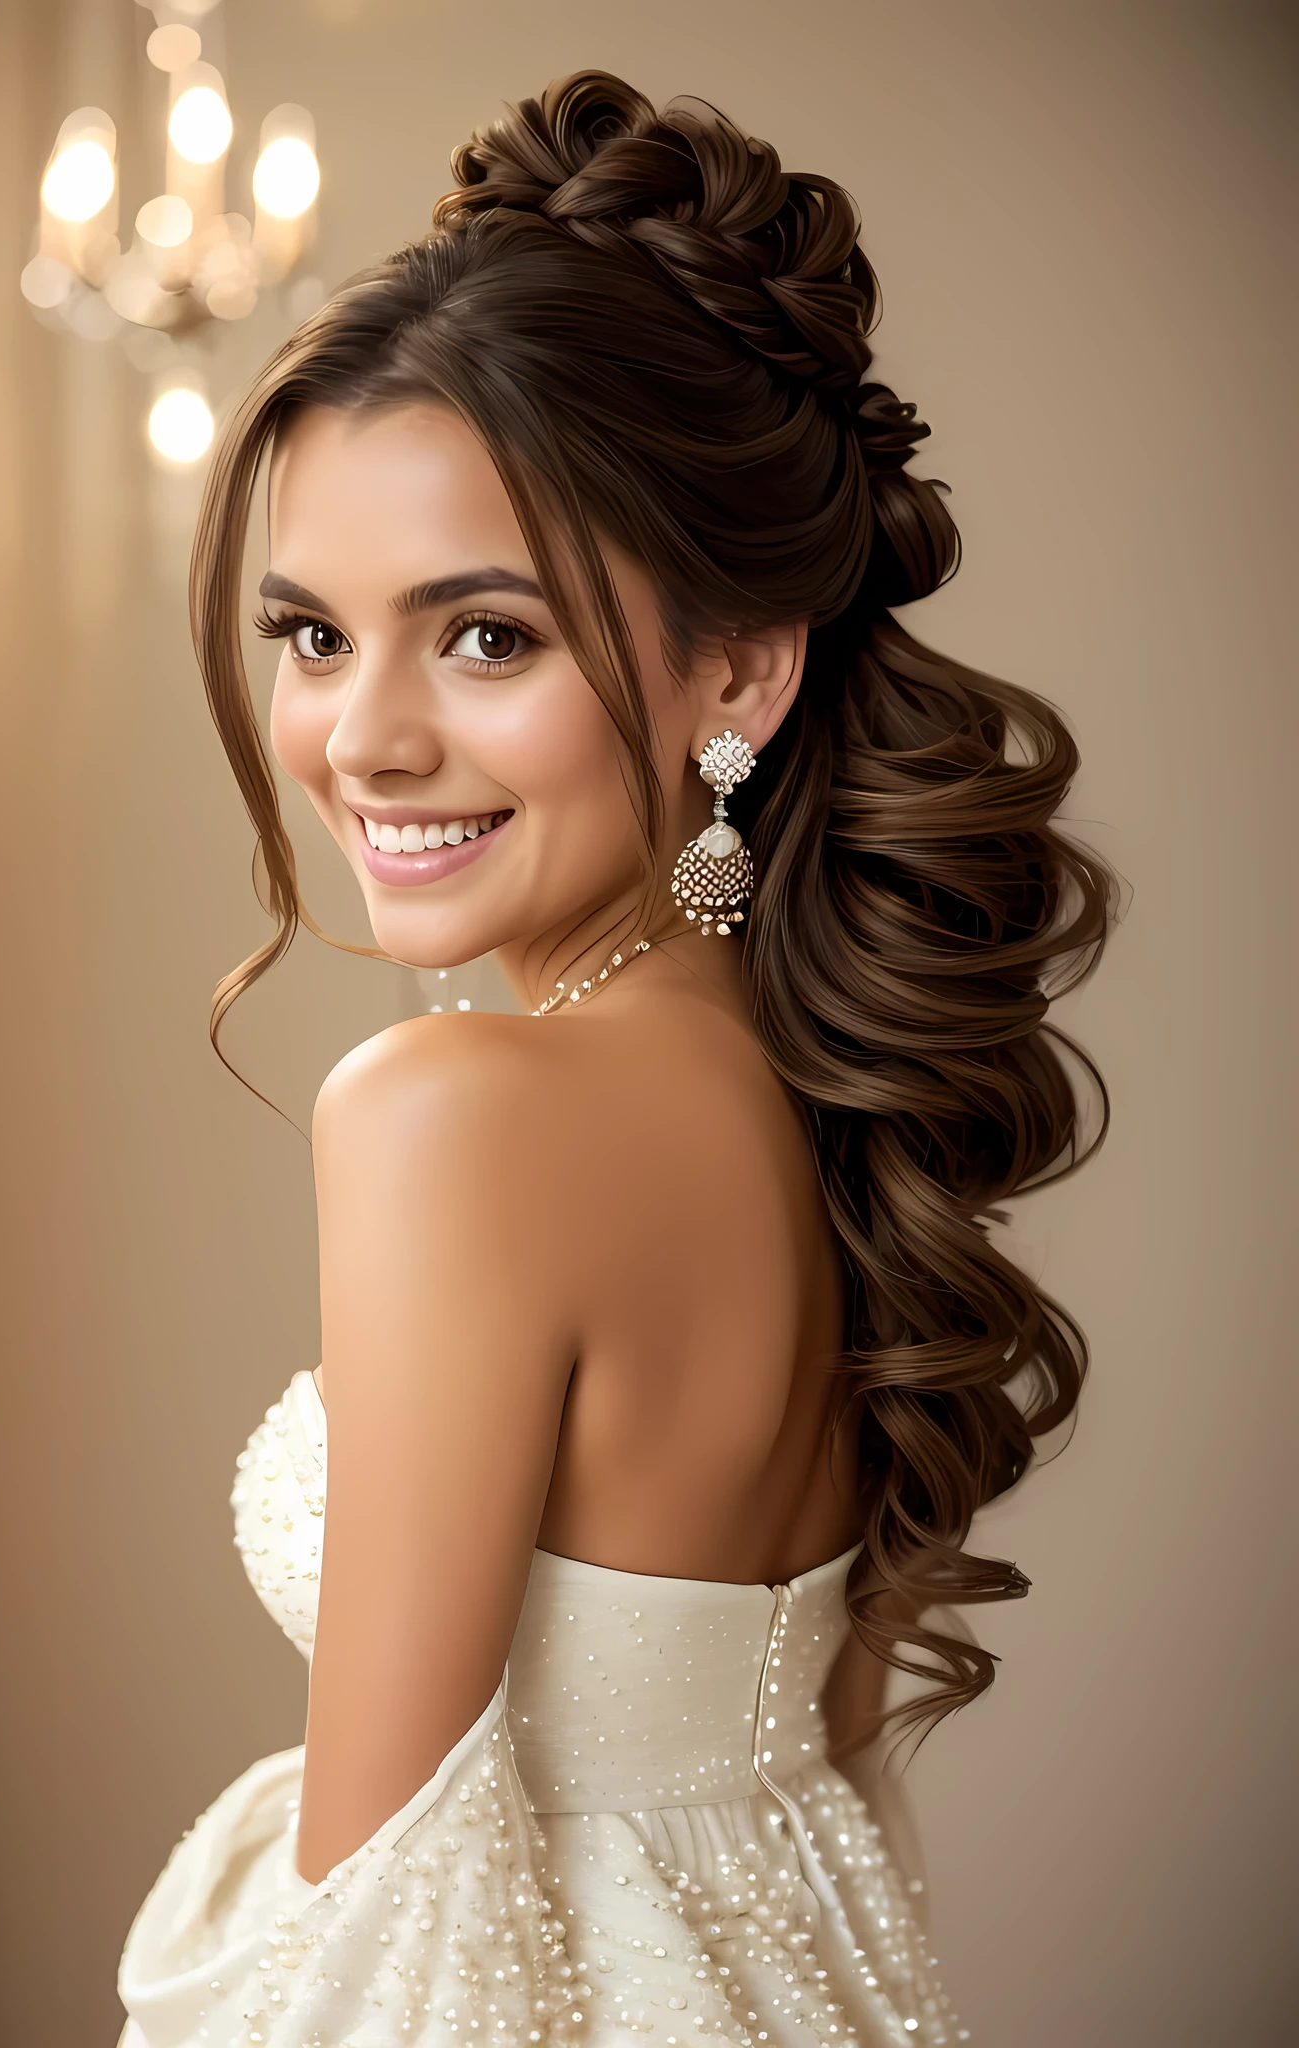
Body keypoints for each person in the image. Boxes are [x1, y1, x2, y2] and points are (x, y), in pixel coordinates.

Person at [118, 69, 1113, 2047]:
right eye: (314, 636)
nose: (365, 743)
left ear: (738, 665)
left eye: (483, 639)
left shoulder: (449, 1114)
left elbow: (387, 1916)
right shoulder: (813, 1095)